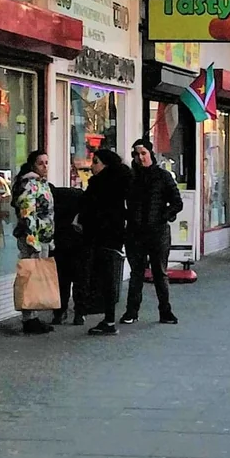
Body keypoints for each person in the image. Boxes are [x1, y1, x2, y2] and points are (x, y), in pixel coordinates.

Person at [121, 138, 183, 325]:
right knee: (136, 273)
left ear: (150, 154)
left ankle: (165, 311)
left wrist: (163, 216)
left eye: (143, 153)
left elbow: (177, 202)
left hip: (158, 232)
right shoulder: (130, 178)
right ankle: (131, 312)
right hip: (135, 232)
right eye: (137, 154)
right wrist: (127, 216)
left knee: (160, 273)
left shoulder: (163, 176)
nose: (140, 158)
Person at [78, 144, 130, 336]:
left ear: (106, 164)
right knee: (108, 278)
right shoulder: (122, 182)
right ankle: (108, 317)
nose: (92, 166)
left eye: (96, 162)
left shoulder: (101, 185)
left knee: (105, 278)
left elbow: (89, 207)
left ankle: (108, 320)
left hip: (102, 237)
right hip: (114, 236)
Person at [11, 149, 56, 335]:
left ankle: (33, 316)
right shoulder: (30, 185)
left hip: (43, 237)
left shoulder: (42, 184)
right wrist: (33, 241)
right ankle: (28, 318)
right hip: (33, 238)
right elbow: (27, 213)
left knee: (35, 278)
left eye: (47, 162)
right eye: (41, 163)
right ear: (32, 165)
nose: (45, 166)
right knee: (30, 277)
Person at [50, 178, 85, 326]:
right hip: (77, 240)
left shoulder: (54, 199)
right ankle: (79, 313)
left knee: (61, 279)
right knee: (79, 280)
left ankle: (60, 312)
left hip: (60, 240)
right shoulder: (75, 196)